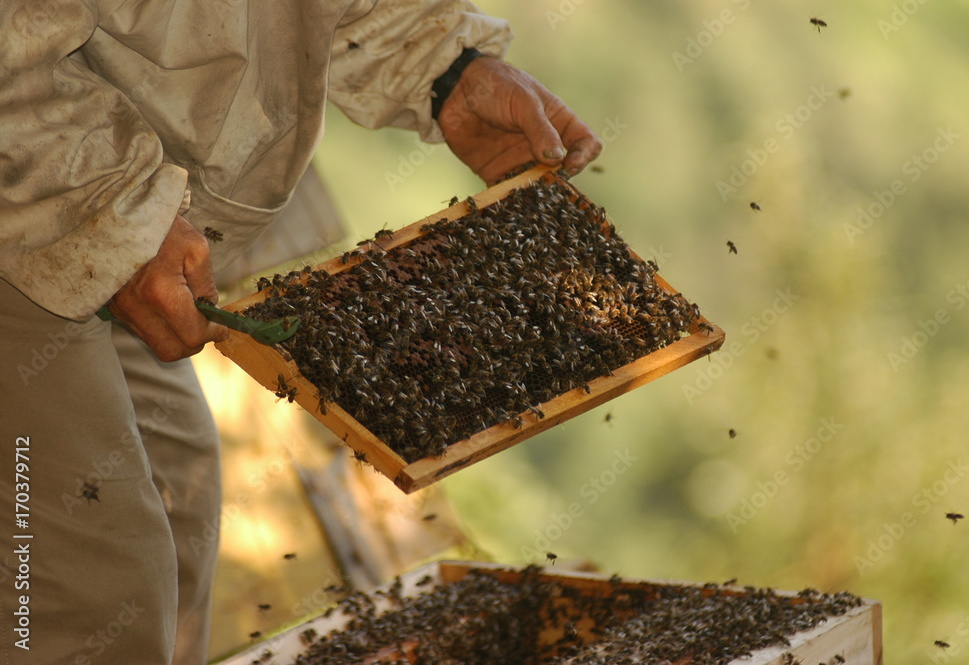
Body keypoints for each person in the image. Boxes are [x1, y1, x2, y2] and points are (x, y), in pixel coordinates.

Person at [0, 1, 601, 663]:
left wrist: (447, 66)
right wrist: (110, 206)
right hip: (29, 190)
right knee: (95, 576)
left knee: (179, 505)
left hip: (131, 198)